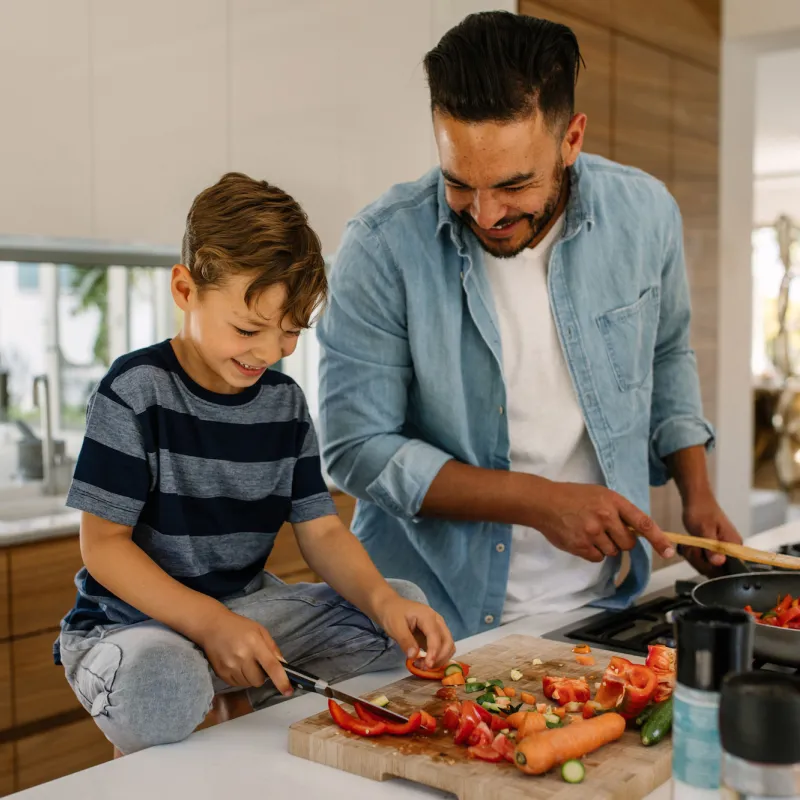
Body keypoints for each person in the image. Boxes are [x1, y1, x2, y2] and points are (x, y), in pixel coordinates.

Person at [316, 11, 741, 641]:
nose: (485, 214)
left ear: (571, 139)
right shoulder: (381, 247)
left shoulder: (646, 214)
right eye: (459, 182)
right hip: (425, 619)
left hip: (602, 605)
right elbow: (355, 450)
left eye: (514, 184)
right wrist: (541, 501)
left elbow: (667, 352)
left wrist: (696, 489)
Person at [55, 172, 454, 755]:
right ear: (186, 290)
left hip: (244, 610)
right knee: (162, 679)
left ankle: (226, 689)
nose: (269, 353)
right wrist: (210, 626)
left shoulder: (284, 403)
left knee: (395, 614)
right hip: (130, 625)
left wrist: (384, 601)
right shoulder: (135, 390)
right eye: (248, 329)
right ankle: (212, 689)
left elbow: (320, 530)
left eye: (291, 332)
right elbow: (104, 547)